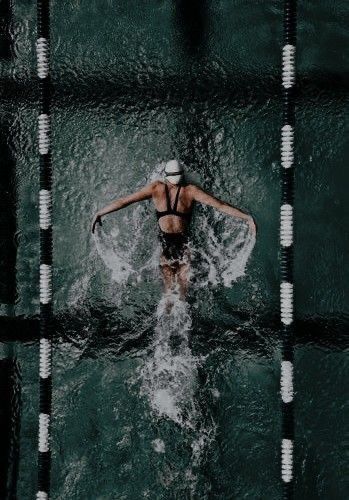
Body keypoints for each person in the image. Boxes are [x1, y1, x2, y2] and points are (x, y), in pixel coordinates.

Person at [92, 159, 256, 297]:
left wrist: (101, 212)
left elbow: (124, 201)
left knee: (169, 294)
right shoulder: (191, 191)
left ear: (166, 176)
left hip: (165, 245)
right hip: (184, 245)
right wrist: (246, 217)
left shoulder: (155, 188)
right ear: (182, 175)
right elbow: (220, 205)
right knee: (182, 295)